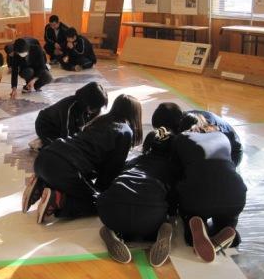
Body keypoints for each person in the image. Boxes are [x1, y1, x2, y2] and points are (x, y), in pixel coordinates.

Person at [22, 94, 143, 224]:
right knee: (101, 203)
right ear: (135, 114)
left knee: (78, 186)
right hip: (63, 168)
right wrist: (100, 194)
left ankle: (42, 184)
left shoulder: (99, 120)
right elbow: (110, 172)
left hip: (45, 157)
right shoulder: (125, 132)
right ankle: (58, 200)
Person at [97, 127, 179, 266]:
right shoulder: (171, 167)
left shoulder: (133, 161)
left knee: (124, 212)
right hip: (149, 217)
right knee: (162, 218)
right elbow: (173, 200)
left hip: (109, 210)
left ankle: (114, 231)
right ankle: (157, 233)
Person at [173, 125, 247, 263]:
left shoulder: (182, 138)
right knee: (227, 221)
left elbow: (175, 173)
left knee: (191, 221)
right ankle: (229, 231)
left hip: (199, 198)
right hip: (236, 195)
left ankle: (195, 223)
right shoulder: (223, 136)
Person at [151, 102, 243, 166]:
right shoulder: (182, 120)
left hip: (232, 152)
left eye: (163, 129)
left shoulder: (198, 128)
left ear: (172, 126)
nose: (162, 133)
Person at [28, 82, 108, 150]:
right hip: (47, 126)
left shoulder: (94, 108)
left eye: (98, 107)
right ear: (86, 100)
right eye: (94, 107)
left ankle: (45, 141)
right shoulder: (68, 108)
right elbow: (66, 136)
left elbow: (89, 128)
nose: (96, 110)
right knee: (61, 149)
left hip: (64, 126)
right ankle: (42, 142)